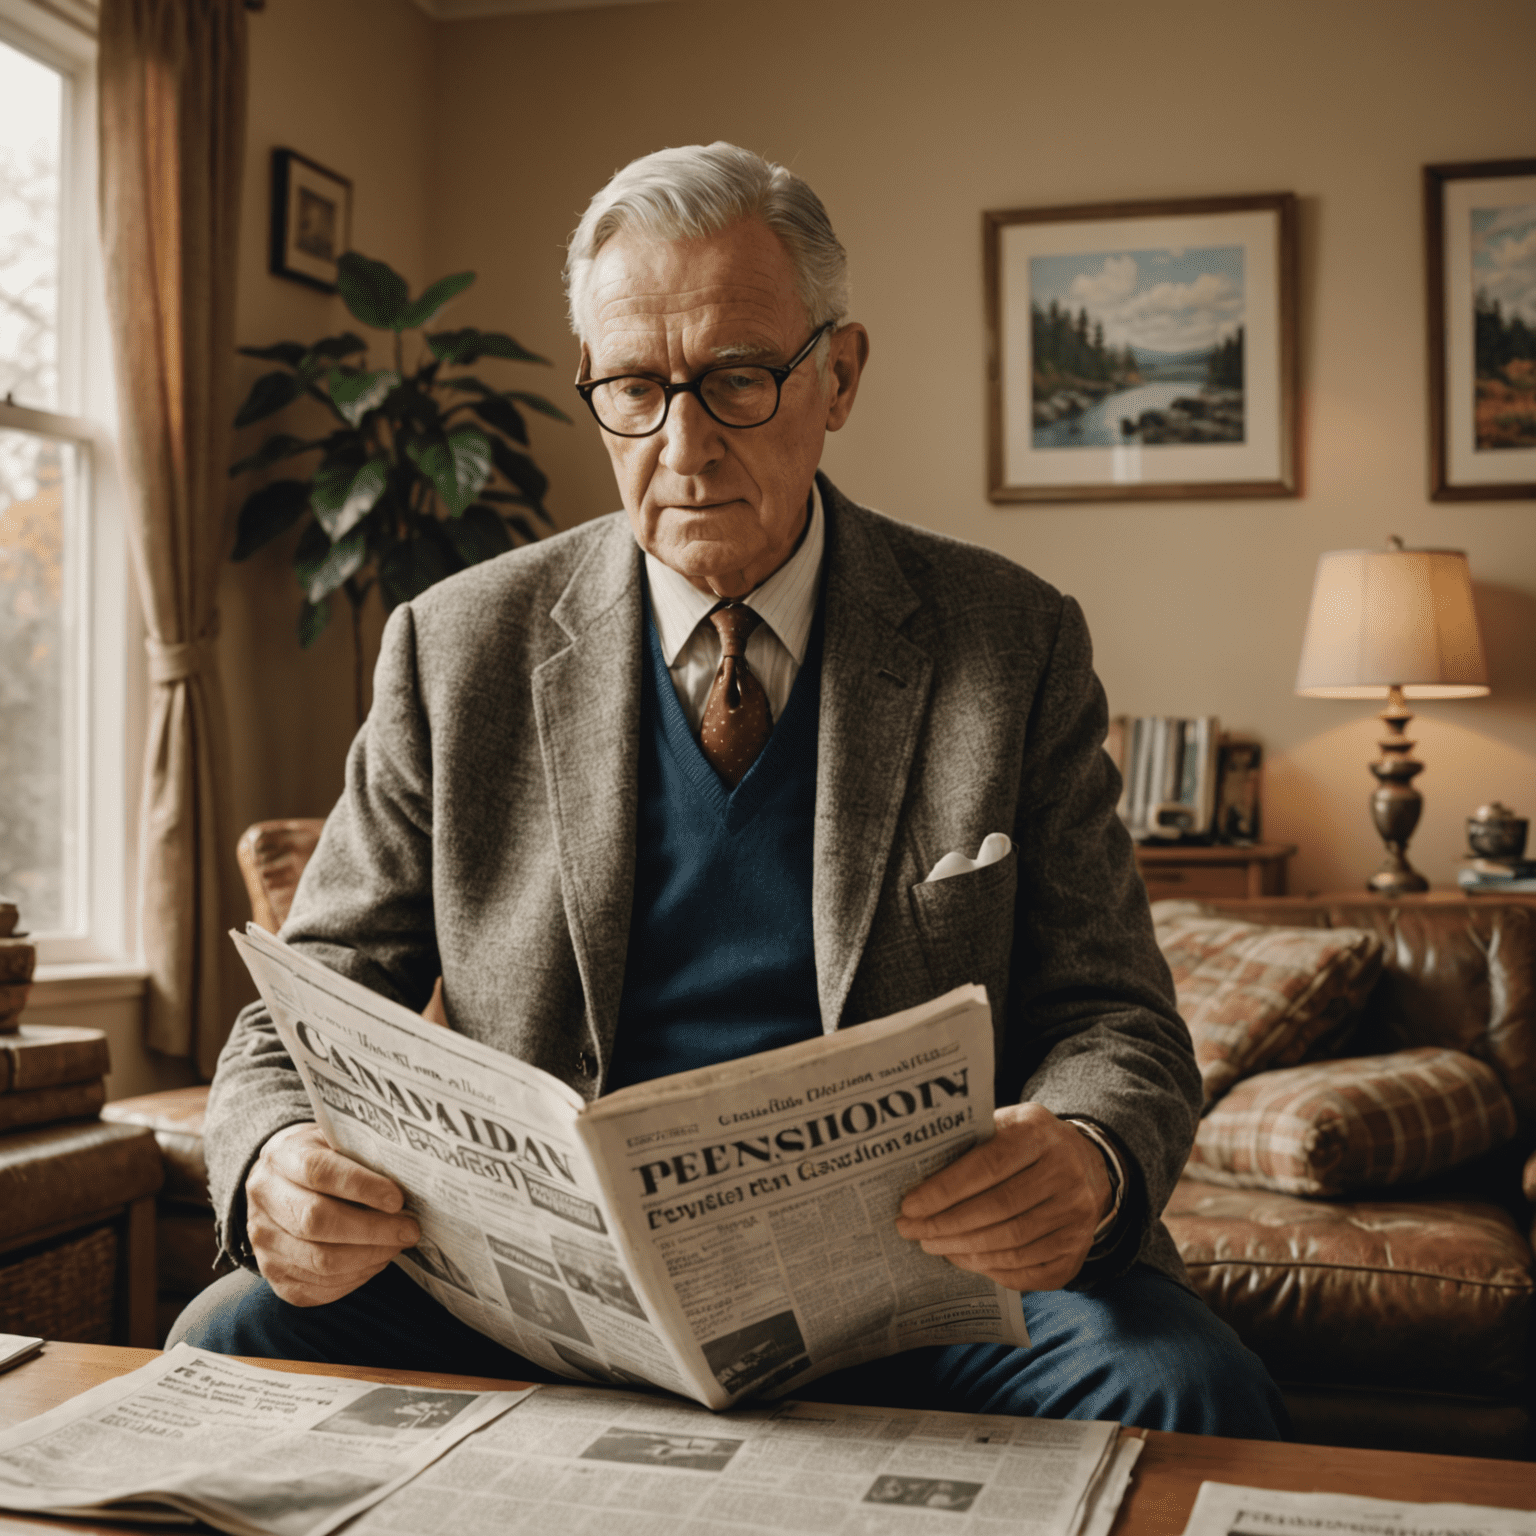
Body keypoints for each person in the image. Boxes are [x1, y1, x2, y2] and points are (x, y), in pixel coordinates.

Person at [181, 143, 1284, 1437]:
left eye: (739, 380)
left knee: (1180, 1388)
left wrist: (1089, 1159)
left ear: (840, 375)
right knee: (233, 1340)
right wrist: (272, 1161)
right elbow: (297, 1016)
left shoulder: (1011, 641)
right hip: (556, 1296)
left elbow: (1120, 1018)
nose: (685, 445)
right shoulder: (454, 647)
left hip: (923, 1288)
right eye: (635, 389)